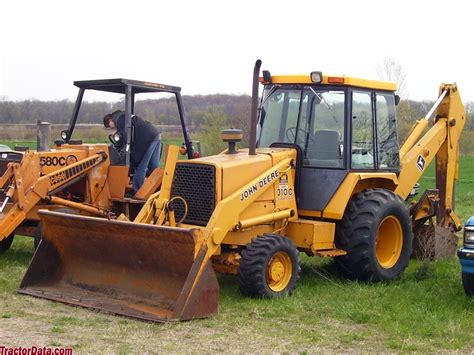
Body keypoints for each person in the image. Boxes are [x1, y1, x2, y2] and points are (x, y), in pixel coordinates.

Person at [103, 110, 161, 193]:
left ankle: (137, 191)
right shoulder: (124, 116)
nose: (112, 128)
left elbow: (124, 137)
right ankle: (157, 188)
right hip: (155, 134)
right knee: (153, 166)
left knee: (140, 165)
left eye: (110, 126)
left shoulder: (120, 120)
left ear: (110, 120)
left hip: (147, 138)